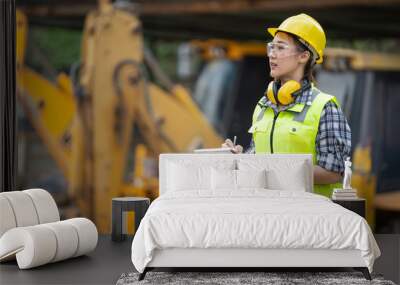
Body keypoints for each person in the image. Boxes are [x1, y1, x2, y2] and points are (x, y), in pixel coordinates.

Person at [222, 14, 351, 197]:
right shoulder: (263, 105)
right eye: (271, 47)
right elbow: (257, 158)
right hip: (267, 213)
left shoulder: (325, 107)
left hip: (310, 217)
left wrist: (277, 172)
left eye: (280, 48)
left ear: (304, 56)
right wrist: (241, 158)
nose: (272, 54)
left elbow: (334, 172)